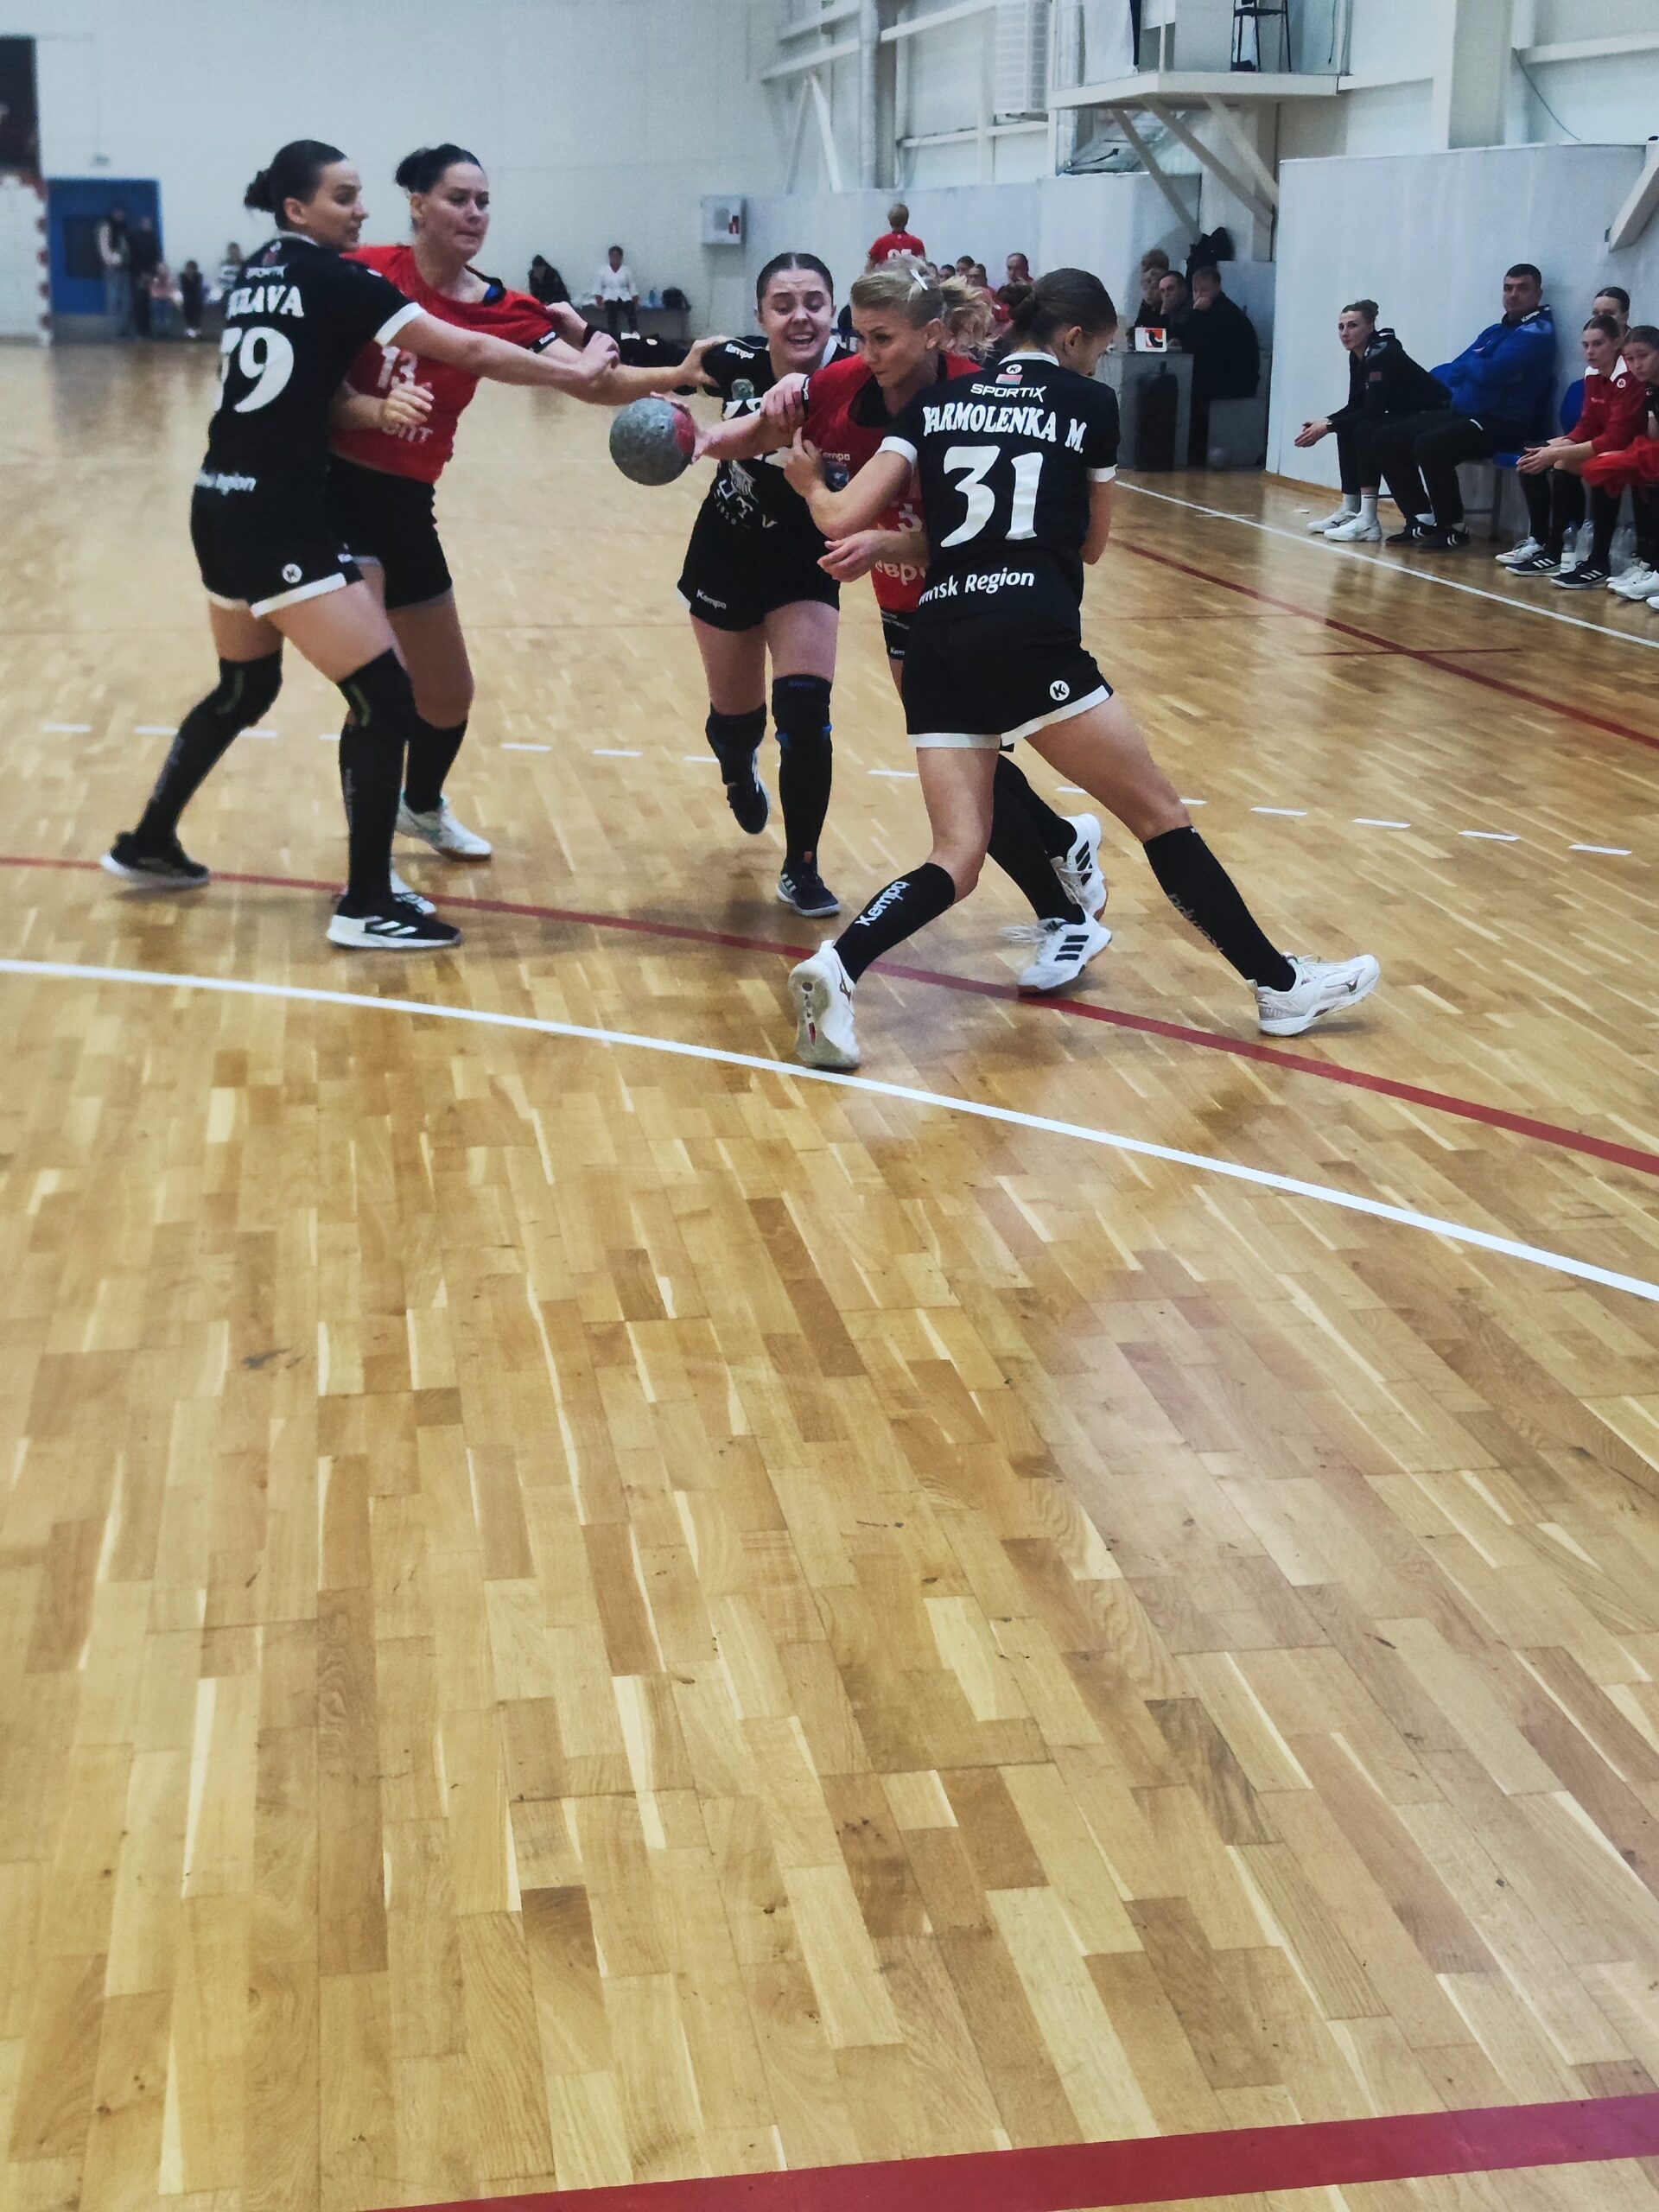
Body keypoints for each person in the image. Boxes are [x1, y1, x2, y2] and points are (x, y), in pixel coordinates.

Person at [779, 269, 1378, 1069]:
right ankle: (1280, 987)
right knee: (1161, 817)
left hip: (936, 639)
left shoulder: (934, 404)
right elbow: (1091, 546)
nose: (1100, 363)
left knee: (956, 856)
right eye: (1100, 348)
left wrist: (810, 482)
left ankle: (837, 968)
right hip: (1030, 636)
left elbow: (852, 518)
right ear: (1072, 339)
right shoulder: (1091, 403)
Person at [103, 137, 622, 950]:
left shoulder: (255, 274)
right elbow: (469, 347)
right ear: (296, 208)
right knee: (386, 698)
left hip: (216, 500)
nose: (361, 210)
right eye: (343, 197)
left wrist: (374, 412)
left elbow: (312, 386)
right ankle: (367, 902)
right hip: (277, 516)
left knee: (244, 689)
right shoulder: (341, 277)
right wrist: (578, 370)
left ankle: (148, 841)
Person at [702, 260, 1112, 996]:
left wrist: (879, 539)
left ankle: (1063, 902)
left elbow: (995, 535)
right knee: (965, 762)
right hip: (904, 603)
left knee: (968, 770)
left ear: (932, 336)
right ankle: (1063, 850)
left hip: (978, 595)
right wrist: (700, 437)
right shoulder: (840, 386)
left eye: (881, 338)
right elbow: (757, 433)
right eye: (859, 336)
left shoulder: (973, 395)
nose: (865, 353)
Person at [326, 143, 722, 870]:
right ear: (417, 204)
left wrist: (678, 372)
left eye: (483, 201)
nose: (474, 213)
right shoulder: (367, 272)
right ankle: (368, 871)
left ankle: (421, 806)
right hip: (339, 495)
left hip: (408, 505)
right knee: (380, 692)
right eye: (457, 199)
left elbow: (589, 380)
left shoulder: (505, 307)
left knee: (447, 695)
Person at [675, 252, 853, 919]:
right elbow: (661, 358)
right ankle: (735, 764)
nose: (800, 316)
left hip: (804, 562)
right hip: (725, 551)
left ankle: (801, 866)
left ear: (832, 310)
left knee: (805, 716)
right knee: (737, 720)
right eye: (783, 305)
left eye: (814, 302)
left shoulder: (856, 378)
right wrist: (578, 335)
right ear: (760, 315)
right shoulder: (740, 362)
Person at [1370, 263, 1556, 550]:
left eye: (1522, 288)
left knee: (1430, 445)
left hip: (1507, 423)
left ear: (1538, 294)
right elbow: (1455, 368)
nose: (1513, 295)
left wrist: (1479, 369)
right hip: (1471, 412)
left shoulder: (1538, 332)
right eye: (1508, 288)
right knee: (1386, 437)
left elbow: (1489, 373)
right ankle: (1422, 518)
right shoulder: (1495, 331)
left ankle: (1453, 527)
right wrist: (1480, 369)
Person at [1508, 313, 1646, 588]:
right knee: (1534, 457)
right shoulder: (1592, 374)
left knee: (1599, 466)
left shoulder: (1627, 376)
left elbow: (1616, 439)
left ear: (1616, 343)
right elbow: (1588, 425)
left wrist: (1557, 452)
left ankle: (1598, 561)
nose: (1590, 351)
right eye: (1585, 345)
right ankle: (1553, 547)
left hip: (1632, 445)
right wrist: (1556, 446)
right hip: (1609, 443)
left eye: (1598, 344)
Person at [1295, 300, 1448, 542]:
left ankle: (1368, 520)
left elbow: (1374, 409)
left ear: (1370, 327)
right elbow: (1356, 405)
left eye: (1353, 325)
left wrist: (1328, 426)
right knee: (1348, 428)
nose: (1345, 332)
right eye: (1341, 327)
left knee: (1365, 429)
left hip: (1434, 413)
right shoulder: (1357, 356)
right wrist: (1327, 421)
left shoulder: (1382, 353)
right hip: (1405, 414)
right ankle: (1350, 509)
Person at [1583, 323, 1659, 607]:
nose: (1636, 364)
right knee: (1608, 469)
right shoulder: (1649, 388)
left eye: (1644, 356)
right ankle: (1652, 564)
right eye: (1631, 358)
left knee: (1630, 463)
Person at [1185, 264, 1259, 465]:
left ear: (1217, 287)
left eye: (1204, 290)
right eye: (1195, 290)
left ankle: (1193, 454)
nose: (1199, 295)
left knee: (1189, 393)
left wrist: (1196, 315)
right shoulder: (1216, 311)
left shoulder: (1225, 315)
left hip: (1235, 381)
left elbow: (1195, 347)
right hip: (1223, 375)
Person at [594, 245, 639, 339]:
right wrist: (599, 302)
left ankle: (634, 335)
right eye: (613, 256)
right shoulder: (603, 270)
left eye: (617, 256)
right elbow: (598, 287)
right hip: (609, 297)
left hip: (624, 297)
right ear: (609, 257)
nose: (615, 258)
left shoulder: (626, 270)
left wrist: (635, 300)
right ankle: (614, 337)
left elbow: (632, 286)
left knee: (631, 311)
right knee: (612, 313)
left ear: (621, 257)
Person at [127, 216, 161, 337]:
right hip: (138, 275)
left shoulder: (153, 238)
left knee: (148, 302)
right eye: (144, 223)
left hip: (151, 275)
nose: (147, 226)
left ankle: (147, 329)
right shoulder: (136, 238)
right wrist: (141, 274)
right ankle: (139, 330)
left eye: (148, 223)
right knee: (139, 302)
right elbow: (133, 258)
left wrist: (151, 273)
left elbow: (156, 257)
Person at [98, 205, 130, 334]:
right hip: (112, 269)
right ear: (113, 213)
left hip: (125, 268)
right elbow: (104, 247)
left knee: (126, 300)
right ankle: (114, 330)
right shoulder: (106, 227)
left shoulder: (124, 228)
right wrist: (111, 261)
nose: (120, 215)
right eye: (118, 212)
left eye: (122, 213)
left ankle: (123, 329)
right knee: (113, 299)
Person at [868, 201, 925, 265]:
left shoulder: (880, 243)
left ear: (890, 221)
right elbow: (923, 266)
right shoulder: (917, 243)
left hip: (887, 271)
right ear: (906, 221)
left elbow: (869, 268)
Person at [1155, 268, 1192, 343]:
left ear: (1183, 288)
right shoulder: (1161, 307)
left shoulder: (1193, 309)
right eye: (1162, 291)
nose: (1166, 295)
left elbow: (1165, 340)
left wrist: (1164, 314)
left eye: (1170, 289)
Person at [179, 260, 206, 340]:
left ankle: (197, 327)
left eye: (192, 269)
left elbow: (198, 289)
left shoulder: (199, 276)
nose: (190, 270)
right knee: (187, 302)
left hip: (196, 296)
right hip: (186, 296)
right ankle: (189, 326)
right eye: (188, 268)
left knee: (197, 302)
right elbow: (184, 289)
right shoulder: (182, 276)